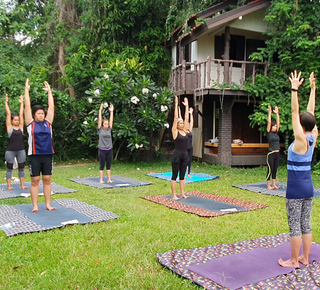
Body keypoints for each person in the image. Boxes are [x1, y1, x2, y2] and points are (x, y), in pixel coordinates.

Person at [278, 71, 318, 268]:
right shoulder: (313, 136)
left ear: (301, 126)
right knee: (306, 224)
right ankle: (305, 258)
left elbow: (295, 113)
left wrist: (294, 89)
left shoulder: (301, 139)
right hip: (309, 189)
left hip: (295, 190)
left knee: (294, 225)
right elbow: (309, 112)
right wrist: (312, 89)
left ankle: (294, 260)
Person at [24, 78, 56, 213]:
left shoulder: (48, 123)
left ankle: (48, 204)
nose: (41, 115)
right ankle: (35, 206)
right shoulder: (30, 124)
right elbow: (26, 106)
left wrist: (49, 92)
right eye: (39, 113)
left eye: (43, 113)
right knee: (35, 180)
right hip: (35, 156)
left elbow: (51, 107)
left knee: (47, 179)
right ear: (34, 115)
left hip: (47, 155)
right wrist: (26, 90)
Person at [4, 94, 28, 190]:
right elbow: (8, 114)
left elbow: (21, 115)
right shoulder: (10, 128)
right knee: (9, 168)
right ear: (12, 121)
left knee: (21, 167)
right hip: (10, 151)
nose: (17, 121)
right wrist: (6, 103)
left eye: (18, 120)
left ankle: (22, 185)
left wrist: (22, 103)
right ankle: (9, 186)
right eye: (15, 120)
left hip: (20, 150)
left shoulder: (21, 128)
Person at [171, 96, 189, 200]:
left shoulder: (185, 131)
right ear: (177, 124)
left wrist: (186, 107)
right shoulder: (175, 132)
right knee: (175, 175)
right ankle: (174, 194)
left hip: (185, 154)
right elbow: (175, 118)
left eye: (182, 123)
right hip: (177, 155)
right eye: (180, 123)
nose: (182, 124)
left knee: (182, 176)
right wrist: (176, 103)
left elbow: (186, 118)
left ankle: (182, 193)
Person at [98, 103, 114, 183]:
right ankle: (101, 180)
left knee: (108, 165)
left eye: (107, 124)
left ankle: (109, 179)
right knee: (102, 166)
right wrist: (100, 110)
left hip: (109, 149)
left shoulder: (109, 129)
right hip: (102, 149)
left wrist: (111, 112)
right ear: (102, 124)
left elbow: (111, 120)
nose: (107, 125)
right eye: (105, 124)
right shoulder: (100, 129)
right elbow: (100, 120)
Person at [266, 105, 281, 190]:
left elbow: (278, 123)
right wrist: (270, 113)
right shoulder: (269, 133)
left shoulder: (276, 133)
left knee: (275, 169)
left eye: (275, 127)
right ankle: (269, 185)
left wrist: (277, 113)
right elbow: (269, 123)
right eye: (273, 126)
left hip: (277, 153)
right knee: (270, 169)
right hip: (271, 153)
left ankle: (274, 184)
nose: (275, 127)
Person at [186, 108, 194, 178]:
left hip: (190, 147)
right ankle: (183, 173)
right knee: (185, 160)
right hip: (184, 147)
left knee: (189, 160)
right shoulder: (184, 131)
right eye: (187, 125)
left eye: (189, 125)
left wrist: (191, 113)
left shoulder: (190, 130)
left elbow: (192, 121)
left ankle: (188, 173)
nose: (188, 125)